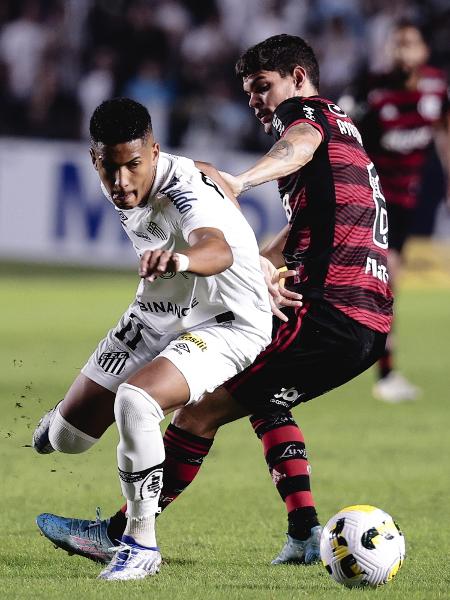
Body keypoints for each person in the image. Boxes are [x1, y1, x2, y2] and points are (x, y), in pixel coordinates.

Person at [34, 34, 393, 572]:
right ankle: (302, 531)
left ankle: (121, 536)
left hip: (330, 310)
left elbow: (298, 141)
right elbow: (308, 224)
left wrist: (241, 180)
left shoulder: (307, 115)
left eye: (263, 87)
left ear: (298, 77)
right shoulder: (348, 130)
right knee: (264, 395)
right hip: (367, 313)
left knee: (196, 409)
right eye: (248, 91)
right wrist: (264, 266)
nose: (256, 101)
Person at [33, 96, 276, 581]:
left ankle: (139, 545)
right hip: (158, 311)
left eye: (133, 166)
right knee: (65, 439)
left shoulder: (184, 191)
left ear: (155, 152)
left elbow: (218, 248)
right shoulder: (129, 174)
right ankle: (59, 422)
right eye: (110, 168)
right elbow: (204, 171)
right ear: (94, 159)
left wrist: (183, 259)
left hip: (226, 321)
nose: (122, 182)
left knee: (136, 401)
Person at [341, 21, 450, 403]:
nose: (402, 52)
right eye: (396, 44)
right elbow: (339, 132)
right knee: (383, 284)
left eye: (409, 44)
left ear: (423, 50)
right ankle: (384, 374)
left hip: (407, 202)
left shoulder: (438, 86)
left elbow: (443, 132)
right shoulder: (371, 89)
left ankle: (384, 372)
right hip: (370, 201)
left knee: (385, 286)